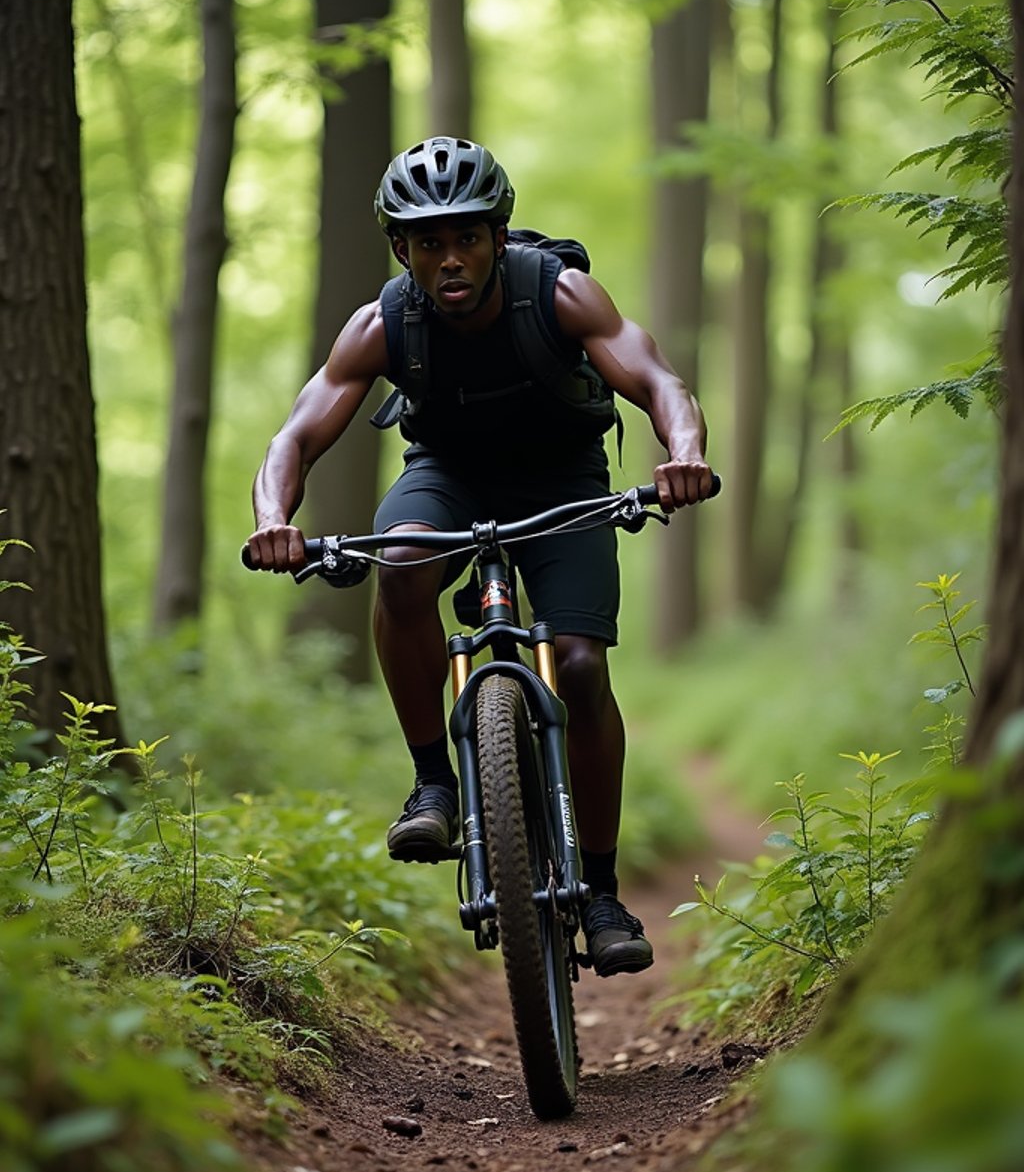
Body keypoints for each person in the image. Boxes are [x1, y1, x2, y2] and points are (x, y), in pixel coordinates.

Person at [247, 137, 714, 979]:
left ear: (499, 238)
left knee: (576, 664)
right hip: (447, 477)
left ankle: (601, 892)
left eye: (466, 237)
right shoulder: (383, 322)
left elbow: (657, 380)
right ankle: (435, 784)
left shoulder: (560, 293)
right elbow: (298, 432)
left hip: (563, 480)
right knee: (401, 563)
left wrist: (681, 454)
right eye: (429, 243)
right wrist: (274, 517)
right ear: (403, 251)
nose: (450, 258)